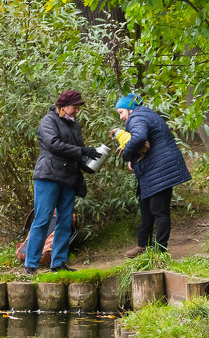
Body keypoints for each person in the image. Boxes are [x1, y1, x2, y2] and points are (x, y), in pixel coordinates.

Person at [23, 90, 99, 275]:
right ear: (62, 107)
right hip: (48, 176)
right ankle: (31, 264)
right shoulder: (48, 121)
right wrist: (83, 151)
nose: (77, 111)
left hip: (69, 179)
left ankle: (58, 263)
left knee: (65, 222)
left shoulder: (75, 126)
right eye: (74, 107)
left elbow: (77, 151)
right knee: (42, 220)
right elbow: (54, 145)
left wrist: (91, 163)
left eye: (78, 107)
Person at [114, 94, 191, 257]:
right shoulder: (145, 114)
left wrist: (127, 154)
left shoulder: (136, 117)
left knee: (159, 210)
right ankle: (143, 245)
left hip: (159, 170)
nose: (121, 117)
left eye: (121, 112)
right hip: (153, 169)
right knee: (146, 207)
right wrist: (134, 159)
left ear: (130, 108)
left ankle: (160, 251)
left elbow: (140, 137)